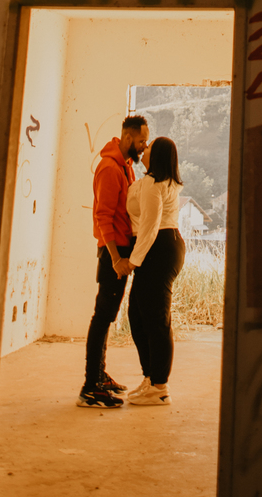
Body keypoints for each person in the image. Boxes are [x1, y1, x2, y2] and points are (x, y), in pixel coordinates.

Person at [77, 112, 148, 409]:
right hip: (113, 253)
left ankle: (99, 376)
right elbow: (102, 216)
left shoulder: (125, 166)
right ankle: (90, 388)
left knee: (107, 316)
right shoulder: (109, 168)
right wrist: (116, 258)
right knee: (102, 317)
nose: (144, 146)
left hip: (120, 251)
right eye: (141, 141)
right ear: (128, 137)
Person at [124, 134, 186, 405]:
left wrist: (132, 261)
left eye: (148, 147)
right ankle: (151, 378)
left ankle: (160, 387)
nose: (144, 149)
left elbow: (150, 224)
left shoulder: (152, 183)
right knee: (139, 314)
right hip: (167, 245)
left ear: (156, 155)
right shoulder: (162, 182)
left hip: (158, 247)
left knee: (155, 319)